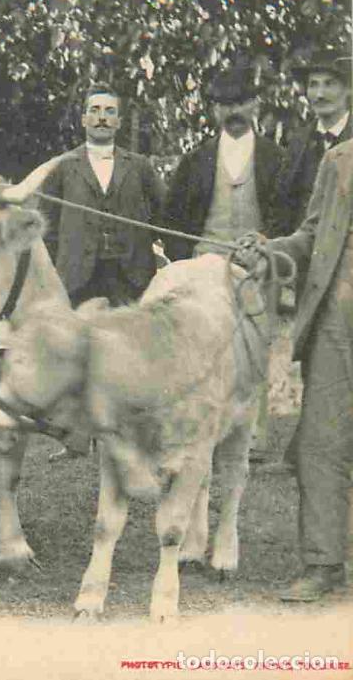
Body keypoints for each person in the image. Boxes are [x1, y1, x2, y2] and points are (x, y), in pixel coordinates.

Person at [239, 136, 353, 602]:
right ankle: (323, 563)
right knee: (321, 442)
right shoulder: (338, 157)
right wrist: (269, 250)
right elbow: (311, 234)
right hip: (336, 320)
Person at [163, 61, 289, 463]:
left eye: (240, 102)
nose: (232, 112)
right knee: (201, 346)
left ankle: (255, 434)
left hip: (259, 264)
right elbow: (173, 217)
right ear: (213, 109)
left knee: (256, 346)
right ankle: (201, 430)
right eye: (222, 104)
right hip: (206, 264)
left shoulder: (278, 159)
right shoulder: (196, 160)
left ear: (255, 104)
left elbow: (291, 214)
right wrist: (186, 262)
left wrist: (270, 244)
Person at [39, 84, 167, 308]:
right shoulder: (62, 166)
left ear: (118, 121)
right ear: (83, 119)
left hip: (131, 281)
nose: (102, 117)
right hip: (77, 283)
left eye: (109, 111)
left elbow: (164, 215)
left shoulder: (140, 167)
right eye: (95, 110)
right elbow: (46, 230)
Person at [279, 49, 352, 233]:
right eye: (313, 85)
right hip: (298, 251)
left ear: (348, 89)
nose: (319, 94)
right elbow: (282, 207)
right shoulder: (298, 141)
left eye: (329, 84)